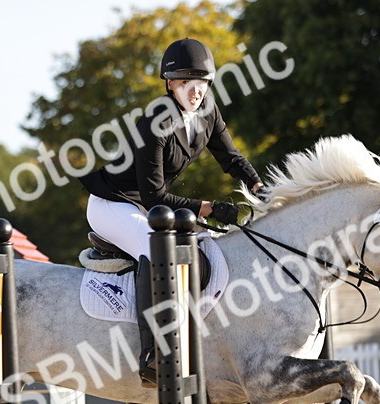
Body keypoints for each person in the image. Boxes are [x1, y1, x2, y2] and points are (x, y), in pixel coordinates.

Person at [79, 38, 265, 384]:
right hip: (114, 203)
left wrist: (258, 187)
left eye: (202, 83)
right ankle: (154, 353)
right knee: (158, 248)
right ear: (170, 84)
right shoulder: (155, 120)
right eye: (186, 83)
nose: (196, 91)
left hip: (149, 204)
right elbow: (154, 197)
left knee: (204, 243)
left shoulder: (208, 110)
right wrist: (206, 207)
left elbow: (231, 158)